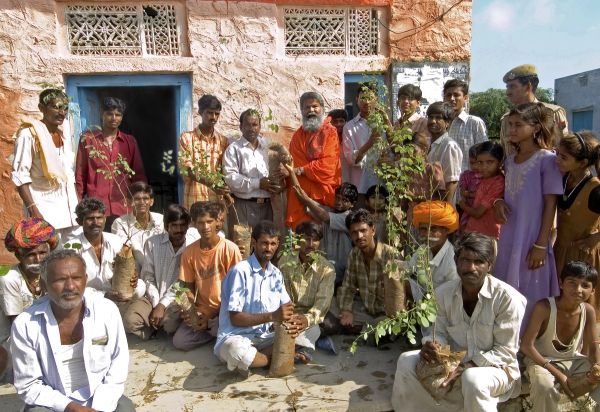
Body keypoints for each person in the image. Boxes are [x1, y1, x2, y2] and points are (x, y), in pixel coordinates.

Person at [391, 233, 526, 412]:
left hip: (497, 369)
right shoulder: (443, 294)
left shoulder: (507, 299)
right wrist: (434, 347)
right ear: (456, 261)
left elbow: (505, 351)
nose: (471, 268)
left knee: (472, 379)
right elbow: (437, 331)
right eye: (465, 260)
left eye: (479, 262)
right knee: (406, 361)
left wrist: (466, 366)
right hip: (454, 362)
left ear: (489, 266)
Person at [11, 249, 134, 411]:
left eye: (76, 278)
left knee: (126, 408)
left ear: (85, 280)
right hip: (53, 403)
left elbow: (118, 364)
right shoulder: (25, 324)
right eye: (60, 280)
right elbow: (29, 384)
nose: (70, 286)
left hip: (99, 396)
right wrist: (69, 407)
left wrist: (99, 407)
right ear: (44, 285)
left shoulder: (106, 311)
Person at [493, 103, 563, 321]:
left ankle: (529, 340)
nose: (511, 130)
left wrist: (541, 245)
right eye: (510, 125)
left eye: (518, 125)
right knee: (506, 286)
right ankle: (507, 338)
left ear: (535, 127)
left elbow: (550, 205)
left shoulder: (547, 160)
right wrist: (498, 202)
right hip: (509, 236)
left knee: (531, 287)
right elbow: (507, 195)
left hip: (532, 237)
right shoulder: (510, 161)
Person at [215, 221, 304, 372]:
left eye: (273, 244)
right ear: (254, 243)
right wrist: (272, 316)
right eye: (264, 243)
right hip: (237, 336)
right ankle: (271, 360)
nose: (269, 248)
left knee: (310, 330)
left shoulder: (276, 274)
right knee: (235, 351)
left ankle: (260, 358)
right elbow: (235, 318)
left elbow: (287, 307)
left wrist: (293, 320)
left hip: (266, 337)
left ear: (278, 245)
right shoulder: (240, 271)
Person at [520, 261, 600, 411]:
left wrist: (596, 368)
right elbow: (526, 346)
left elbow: (594, 346)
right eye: (572, 283)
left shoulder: (588, 310)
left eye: (585, 285)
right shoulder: (544, 307)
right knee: (544, 386)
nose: (578, 289)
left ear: (593, 290)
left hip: (572, 361)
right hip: (540, 360)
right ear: (561, 284)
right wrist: (559, 375)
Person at [173, 202, 241, 351]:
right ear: (194, 225)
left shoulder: (230, 249)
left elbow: (237, 290)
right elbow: (186, 287)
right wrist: (191, 312)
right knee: (180, 342)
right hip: (203, 309)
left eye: (209, 221)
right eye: (200, 223)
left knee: (224, 325)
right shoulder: (189, 253)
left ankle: (216, 330)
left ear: (218, 222)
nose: (205, 227)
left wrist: (212, 314)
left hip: (226, 308)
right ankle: (214, 332)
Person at [12, 88, 78, 238]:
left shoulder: (65, 135)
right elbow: (20, 176)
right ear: (41, 108)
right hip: (45, 211)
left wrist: (78, 207)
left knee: (72, 255)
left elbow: (69, 175)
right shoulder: (29, 135)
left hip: (71, 214)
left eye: (65, 108)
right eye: (55, 107)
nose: (61, 112)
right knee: (48, 258)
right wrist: (34, 210)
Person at [122, 204, 195, 340]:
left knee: (169, 324)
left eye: (182, 225)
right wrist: (157, 304)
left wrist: (162, 304)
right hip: (152, 296)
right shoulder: (152, 243)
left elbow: (183, 282)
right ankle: (152, 330)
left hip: (177, 298)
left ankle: (158, 325)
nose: (179, 230)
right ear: (167, 226)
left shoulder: (192, 245)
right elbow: (148, 276)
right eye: (174, 225)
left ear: (188, 225)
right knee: (130, 321)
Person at [323, 209, 400, 335]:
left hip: (387, 315)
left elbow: (400, 297)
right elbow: (348, 287)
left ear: (373, 231)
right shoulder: (354, 254)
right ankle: (358, 326)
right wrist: (347, 310)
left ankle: (362, 329)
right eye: (354, 232)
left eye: (363, 231)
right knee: (331, 304)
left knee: (380, 331)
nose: (359, 236)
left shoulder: (390, 255)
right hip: (365, 310)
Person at [75, 97, 147, 229]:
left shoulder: (129, 141)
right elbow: (81, 173)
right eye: (109, 114)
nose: (114, 118)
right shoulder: (88, 139)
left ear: (122, 117)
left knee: (125, 244)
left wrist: (141, 201)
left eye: (118, 115)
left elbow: (138, 174)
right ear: (102, 114)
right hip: (96, 206)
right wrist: (78, 202)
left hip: (123, 203)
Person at [0, 218, 58, 380]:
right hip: (14, 338)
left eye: (42, 253)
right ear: (19, 255)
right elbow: (17, 325)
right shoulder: (9, 278)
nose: (38, 259)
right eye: (31, 255)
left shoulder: (51, 272)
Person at [63, 198, 145, 303]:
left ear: (105, 219)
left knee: (140, 287)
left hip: (117, 294)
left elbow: (128, 271)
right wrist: (104, 295)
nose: (95, 222)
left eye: (99, 218)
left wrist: (132, 279)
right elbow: (72, 285)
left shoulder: (116, 241)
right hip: (87, 300)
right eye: (90, 218)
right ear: (79, 221)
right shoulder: (70, 248)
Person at [554, 132, 600, 315]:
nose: (557, 159)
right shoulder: (565, 178)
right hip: (561, 250)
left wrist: (595, 238)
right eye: (557, 153)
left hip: (583, 255)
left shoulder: (595, 189)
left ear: (581, 163)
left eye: (563, 157)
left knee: (581, 305)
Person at [285, 173, 357, 287]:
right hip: (326, 269)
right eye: (338, 198)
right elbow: (303, 198)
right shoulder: (328, 210)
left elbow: (323, 216)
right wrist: (292, 172)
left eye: (344, 200)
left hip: (344, 272)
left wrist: (307, 200)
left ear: (352, 204)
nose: (339, 202)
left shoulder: (350, 218)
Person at [278, 221, 336, 358]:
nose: (311, 244)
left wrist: (306, 319)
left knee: (327, 324)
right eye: (306, 239)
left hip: (310, 315)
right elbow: (280, 294)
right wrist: (290, 316)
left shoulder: (327, 268)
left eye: (315, 240)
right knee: (279, 325)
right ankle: (307, 345)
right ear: (297, 239)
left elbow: (322, 303)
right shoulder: (285, 261)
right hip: (290, 314)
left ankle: (300, 345)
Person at [286, 91, 341, 229]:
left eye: (315, 106)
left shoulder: (330, 132)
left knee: (323, 244)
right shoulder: (297, 136)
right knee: (303, 244)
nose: (311, 110)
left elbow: (328, 166)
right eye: (307, 107)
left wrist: (301, 170)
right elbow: (293, 165)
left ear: (322, 109)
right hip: (300, 198)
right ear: (302, 111)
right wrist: (297, 171)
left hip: (323, 199)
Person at [222, 109, 278, 229]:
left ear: (259, 126)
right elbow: (230, 179)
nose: (251, 128)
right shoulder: (234, 149)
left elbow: (276, 169)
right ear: (241, 127)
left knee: (266, 245)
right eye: (247, 124)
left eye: (254, 124)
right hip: (244, 206)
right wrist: (258, 183)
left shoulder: (267, 147)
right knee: (244, 246)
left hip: (267, 206)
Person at [500, 64, 568, 155]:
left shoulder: (552, 113)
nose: (507, 92)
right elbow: (504, 153)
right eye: (507, 87)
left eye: (512, 86)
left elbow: (566, 151)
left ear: (528, 86)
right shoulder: (506, 119)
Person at [178, 95, 230, 209]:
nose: (214, 117)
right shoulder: (186, 138)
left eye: (217, 114)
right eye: (209, 113)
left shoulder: (223, 142)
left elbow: (225, 172)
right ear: (200, 112)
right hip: (194, 201)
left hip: (216, 203)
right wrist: (212, 184)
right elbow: (186, 170)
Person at [407, 201, 459, 303]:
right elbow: (409, 268)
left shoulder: (453, 259)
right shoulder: (423, 249)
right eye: (423, 229)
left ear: (446, 230)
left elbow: (451, 298)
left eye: (433, 229)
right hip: (421, 302)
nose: (427, 234)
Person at [111, 182, 164, 270]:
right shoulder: (120, 223)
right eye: (137, 199)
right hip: (134, 274)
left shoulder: (161, 220)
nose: (142, 202)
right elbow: (125, 253)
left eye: (145, 198)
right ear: (129, 201)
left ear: (151, 201)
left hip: (160, 270)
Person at [342, 83, 382, 200]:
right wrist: (369, 144)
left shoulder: (384, 124)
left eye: (370, 98)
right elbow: (351, 160)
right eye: (363, 98)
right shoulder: (349, 127)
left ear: (376, 100)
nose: (367, 102)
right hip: (359, 187)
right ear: (357, 99)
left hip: (382, 187)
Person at [461, 141, 505, 239]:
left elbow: (478, 213)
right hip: (475, 231)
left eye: (490, 162)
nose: (484, 167)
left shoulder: (498, 183)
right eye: (480, 162)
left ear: (500, 162)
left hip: (486, 236)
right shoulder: (485, 178)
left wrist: (462, 205)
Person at [443, 79, 488, 172]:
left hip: (467, 183)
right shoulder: (439, 124)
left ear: (465, 98)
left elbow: (484, 156)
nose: (452, 98)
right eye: (448, 95)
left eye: (456, 95)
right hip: (441, 183)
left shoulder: (474, 123)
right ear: (444, 98)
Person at [426, 102, 463, 204]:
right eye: (430, 117)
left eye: (438, 118)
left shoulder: (449, 145)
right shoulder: (426, 142)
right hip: (426, 205)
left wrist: (446, 208)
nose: (433, 121)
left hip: (441, 208)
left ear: (447, 123)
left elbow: (452, 181)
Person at [457, 144, 482, 231]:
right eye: (472, 163)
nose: (475, 166)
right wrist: (471, 194)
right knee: (465, 229)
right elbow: (463, 192)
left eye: (478, 163)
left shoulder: (487, 176)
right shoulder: (467, 175)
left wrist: (469, 194)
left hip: (482, 210)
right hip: (468, 210)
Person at [328, 109, 349, 182]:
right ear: (330, 123)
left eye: (341, 121)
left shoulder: (350, 139)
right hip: (332, 178)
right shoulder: (326, 140)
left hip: (349, 177)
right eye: (335, 121)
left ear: (346, 122)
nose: (338, 124)